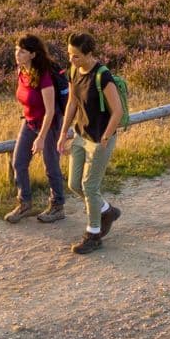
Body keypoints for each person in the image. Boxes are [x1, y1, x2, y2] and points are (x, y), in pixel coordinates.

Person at [61, 32, 131, 254]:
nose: (72, 60)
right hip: (81, 136)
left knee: (89, 187)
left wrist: (106, 136)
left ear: (89, 54)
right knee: (74, 184)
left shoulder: (103, 77)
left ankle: (93, 234)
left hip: (100, 139)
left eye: (76, 56)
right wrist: (63, 133)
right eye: (70, 55)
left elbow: (117, 110)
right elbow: (72, 102)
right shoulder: (74, 72)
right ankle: (106, 210)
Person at [7, 36, 68, 223]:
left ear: (33, 54)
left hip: (48, 124)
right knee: (18, 162)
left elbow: (50, 111)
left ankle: (57, 206)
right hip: (30, 121)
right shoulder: (21, 71)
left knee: (51, 166)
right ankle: (24, 203)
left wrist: (41, 137)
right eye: (17, 49)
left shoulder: (45, 76)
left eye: (23, 51)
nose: (18, 54)